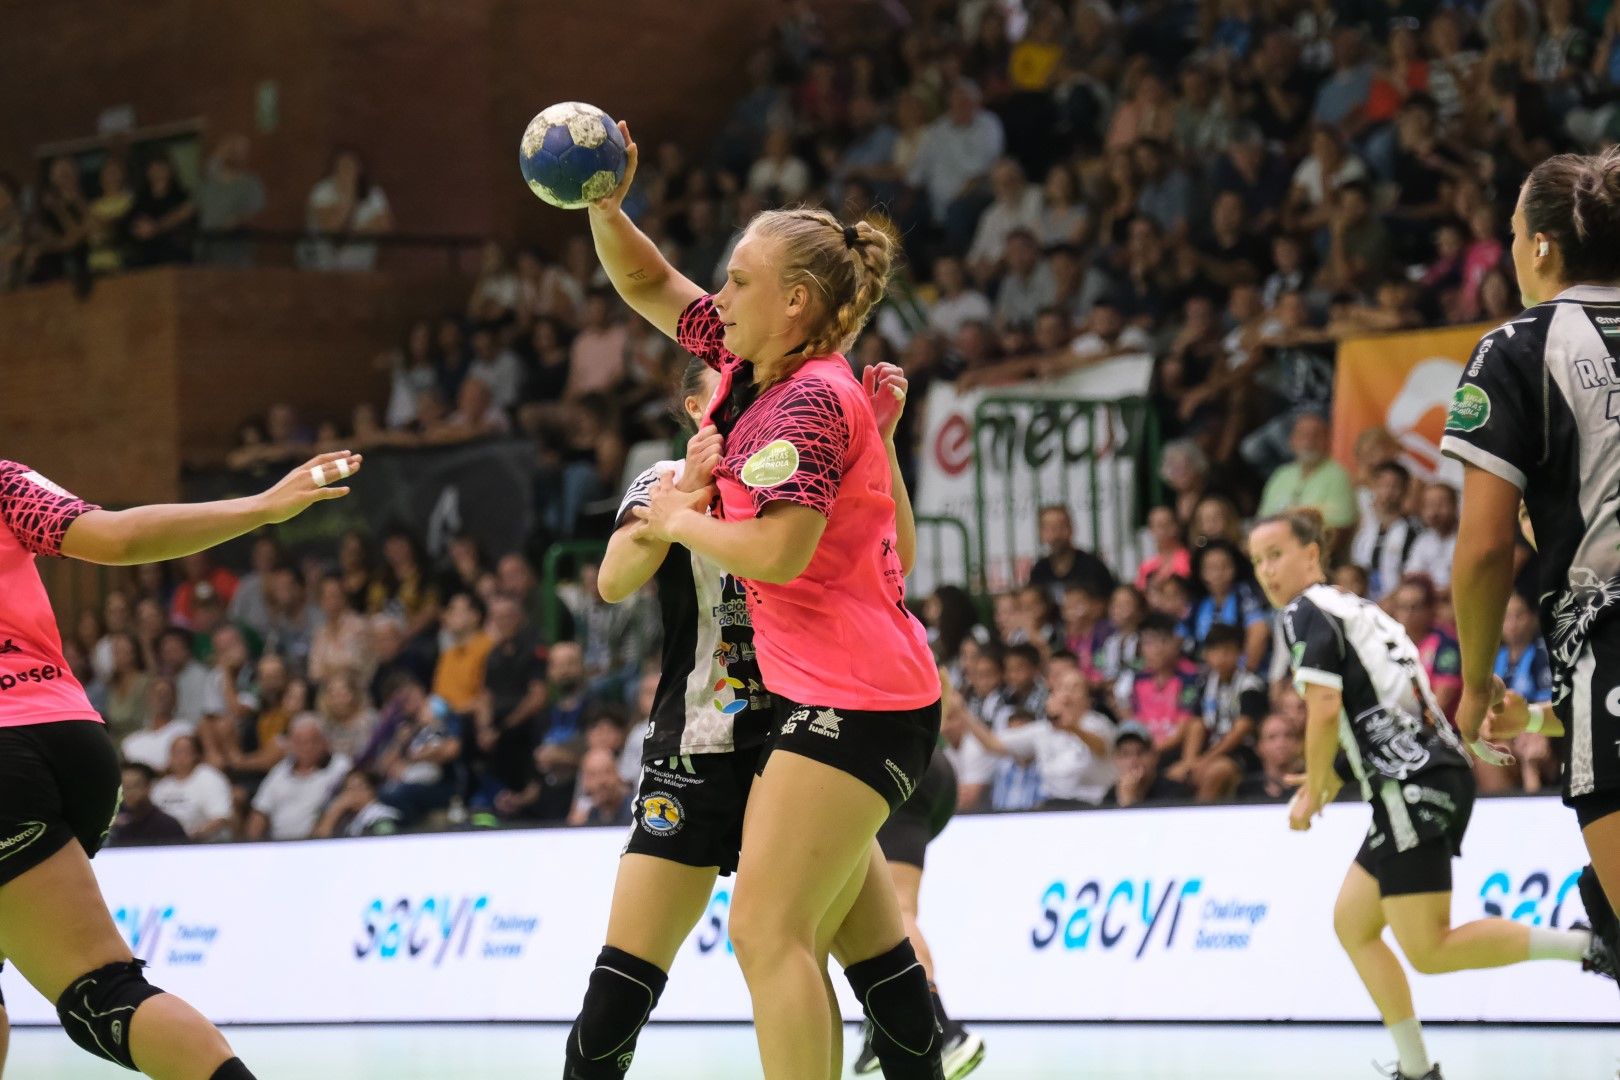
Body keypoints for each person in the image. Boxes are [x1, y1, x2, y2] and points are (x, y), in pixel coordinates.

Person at [586, 121, 945, 1080]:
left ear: (793, 301)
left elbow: (778, 554)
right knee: (825, 938)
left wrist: (675, 512)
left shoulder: (804, 405)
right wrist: (604, 207)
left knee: (766, 930)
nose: (719, 292)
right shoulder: (755, 370)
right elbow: (647, 285)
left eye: (739, 279)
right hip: (831, 697)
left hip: (857, 700)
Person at [0, 448, 358, 1079]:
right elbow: (119, 536)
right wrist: (260, 506)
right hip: (73, 741)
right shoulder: (2, 478)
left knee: (100, 998)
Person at [1251, 507, 1611, 1080]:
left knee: (1429, 948)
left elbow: (1321, 711)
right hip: (1428, 772)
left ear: (1312, 554)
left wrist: (1315, 789)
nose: (1267, 572)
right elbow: (1378, 708)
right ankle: (1417, 1069)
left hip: (1409, 783)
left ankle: (1590, 948)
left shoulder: (1303, 612)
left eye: (1276, 555)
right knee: (1354, 924)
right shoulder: (1358, 608)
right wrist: (1338, 773)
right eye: (1257, 563)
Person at [1445, 148, 1620, 968]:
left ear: (1542, 246)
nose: (1511, 248)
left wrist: (1477, 683)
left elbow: (1482, 553)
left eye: (1512, 233)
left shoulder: (1517, 347)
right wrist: (1548, 719)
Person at [852, 672, 987, 1078]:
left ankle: (941, 1031)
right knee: (862, 905)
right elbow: (944, 690)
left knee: (897, 908)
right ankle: (880, 1029)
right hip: (927, 759)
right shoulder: (899, 627)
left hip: (894, 765)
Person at [150, 734, 233, 842]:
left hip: (203, 845)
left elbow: (221, 817)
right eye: (175, 752)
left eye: (184, 751)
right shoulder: (161, 786)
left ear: (195, 754)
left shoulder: (209, 777)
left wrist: (189, 837)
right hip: (166, 845)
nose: (179, 757)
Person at [107, 763, 188, 847]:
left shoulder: (168, 826)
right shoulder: (119, 828)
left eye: (135, 786)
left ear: (148, 787)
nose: (129, 793)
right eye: (125, 787)